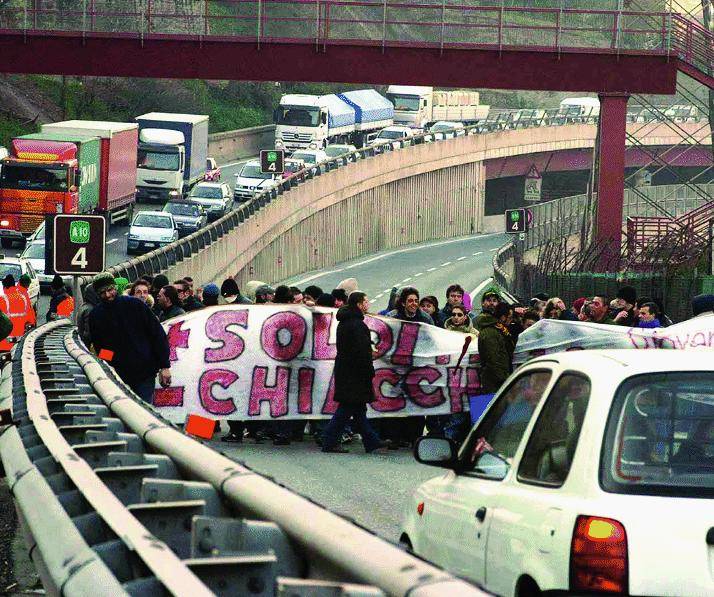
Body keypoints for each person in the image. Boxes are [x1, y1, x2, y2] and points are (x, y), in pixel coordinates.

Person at [321, 292, 389, 454]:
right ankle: (329, 440)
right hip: (355, 374)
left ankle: (371, 441)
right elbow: (361, 352)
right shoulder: (356, 324)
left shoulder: (347, 322)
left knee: (358, 409)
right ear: (358, 304)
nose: (368, 304)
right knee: (346, 409)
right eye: (366, 301)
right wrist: (369, 369)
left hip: (347, 371)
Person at [88, 272, 171, 403]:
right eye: (103, 292)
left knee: (144, 412)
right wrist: (113, 364)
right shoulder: (96, 316)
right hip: (119, 375)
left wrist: (164, 366)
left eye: (110, 290)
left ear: (115, 288)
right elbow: (100, 348)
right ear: (98, 294)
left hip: (145, 372)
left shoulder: (135, 305)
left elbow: (157, 334)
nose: (108, 295)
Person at [477, 302, 516, 394]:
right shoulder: (490, 333)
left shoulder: (501, 330)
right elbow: (493, 360)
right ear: (503, 317)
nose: (511, 320)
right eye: (510, 317)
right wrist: (505, 379)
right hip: (494, 384)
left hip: (500, 381)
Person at [0, 275, 31, 351]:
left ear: (4, 287)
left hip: (4, 344)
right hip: (20, 342)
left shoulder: (3, 300)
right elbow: (31, 320)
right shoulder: (24, 298)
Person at [77, 283, 100, 348]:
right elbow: (88, 334)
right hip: (93, 348)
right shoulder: (90, 310)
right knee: (109, 357)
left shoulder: (84, 306)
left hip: (87, 346)